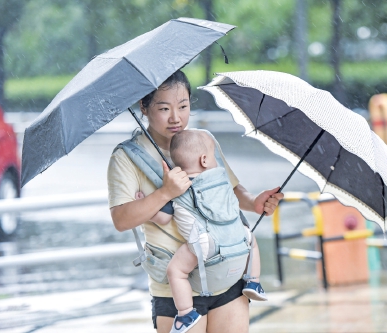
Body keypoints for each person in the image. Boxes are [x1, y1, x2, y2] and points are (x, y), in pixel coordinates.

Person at [108, 70, 284, 333]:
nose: (176, 118)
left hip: (226, 275)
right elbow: (121, 220)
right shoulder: (126, 157)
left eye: (183, 106)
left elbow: (229, 190)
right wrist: (164, 193)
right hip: (176, 290)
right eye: (164, 108)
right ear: (143, 107)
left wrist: (254, 202)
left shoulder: (203, 141)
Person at [135, 129, 267, 332]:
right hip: (238, 237)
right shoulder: (223, 181)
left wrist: (145, 203)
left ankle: (186, 312)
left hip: (205, 243)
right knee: (253, 240)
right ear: (204, 160)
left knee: (175, 271)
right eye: (214, 156)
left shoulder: (177, 187)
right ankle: (254, 281)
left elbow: (162, 218)